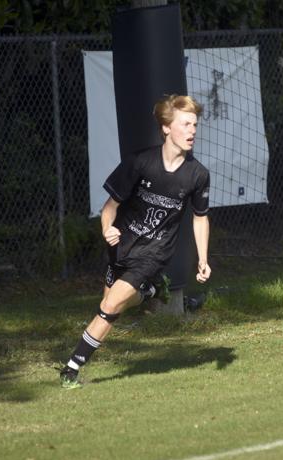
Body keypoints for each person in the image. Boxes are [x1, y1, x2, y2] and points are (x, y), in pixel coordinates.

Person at [59, 94, 212, 388]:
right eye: (185, 124)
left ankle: (71, 367)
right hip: (122, 246)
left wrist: (203, 258)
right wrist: (107, 229)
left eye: (195, 124)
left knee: (111, 304)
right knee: (109, 303)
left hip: (154, 254)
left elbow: (200, 217)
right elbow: (110, 207)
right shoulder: (140, 163)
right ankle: (151, 292)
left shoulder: (197, 175)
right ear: (166, 128)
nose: (192, 131)